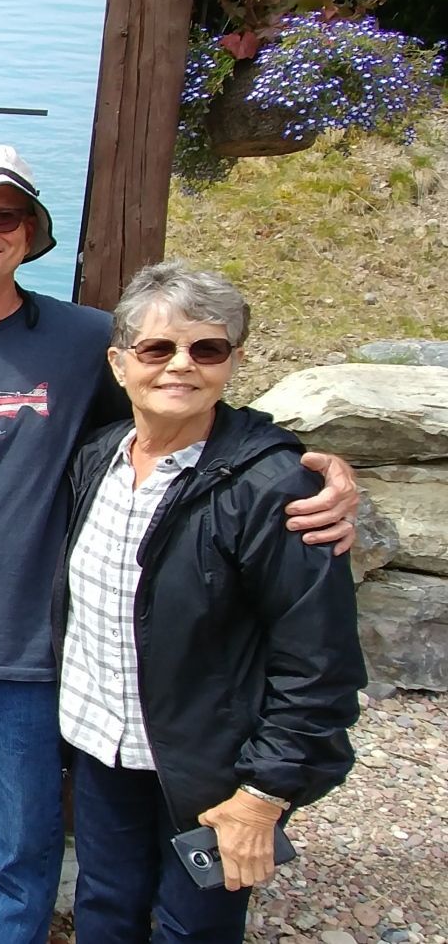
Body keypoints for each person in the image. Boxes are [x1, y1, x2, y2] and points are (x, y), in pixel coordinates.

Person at [0, 145, 358, 944]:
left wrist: (313, 467)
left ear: (31, 233)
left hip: (33, 643)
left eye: (1, 216)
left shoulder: (88, 341)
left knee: (25, 824)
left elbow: (189, 409)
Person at [58, 262, 363, 942]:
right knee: (103, 908)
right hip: (103, 746)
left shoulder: (276, 489)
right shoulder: (97, 459)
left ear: (233, 360)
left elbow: (320, 663)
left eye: (207, 349)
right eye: (157, 349)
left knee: (191, 929)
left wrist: (264, 795)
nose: (181, 366)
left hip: (211, 773)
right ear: (119, 363)